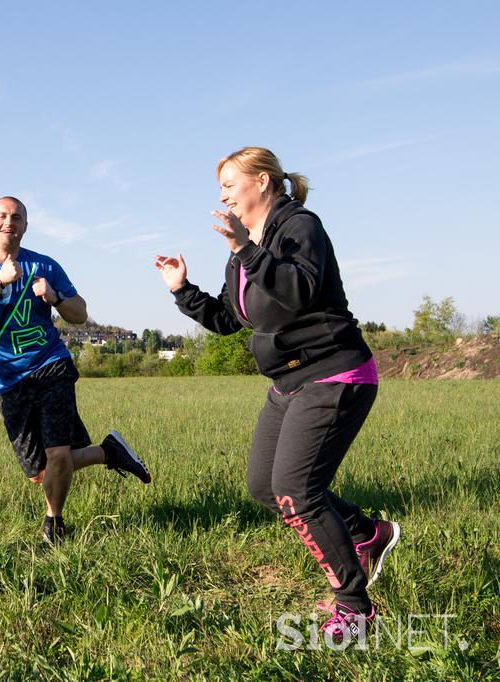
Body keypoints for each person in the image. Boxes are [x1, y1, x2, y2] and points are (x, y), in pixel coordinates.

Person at [155, 147, 400, 642]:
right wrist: (183, 290)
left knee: (296, 493)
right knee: (266, 488)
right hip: (288, 380)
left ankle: (355, 609)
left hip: (335, 372)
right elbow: (230, 319)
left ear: (263, 182)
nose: (221, 195)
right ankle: (366, 533)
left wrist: (246, 248)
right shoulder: (244, 247)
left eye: (229, 183)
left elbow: (298, 291)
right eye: (219, 186)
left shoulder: (299, 227)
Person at [0, 196, 151, 546]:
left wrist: (56, 297)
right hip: (10, 381)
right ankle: (107, 452)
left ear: (26, 226)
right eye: (1, 216)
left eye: (17, 217)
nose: (8, 222)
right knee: (41, 472)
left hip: (51, 366)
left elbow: (80, 313)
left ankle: (54, 525)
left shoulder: (45, 266)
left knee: (58, 454)